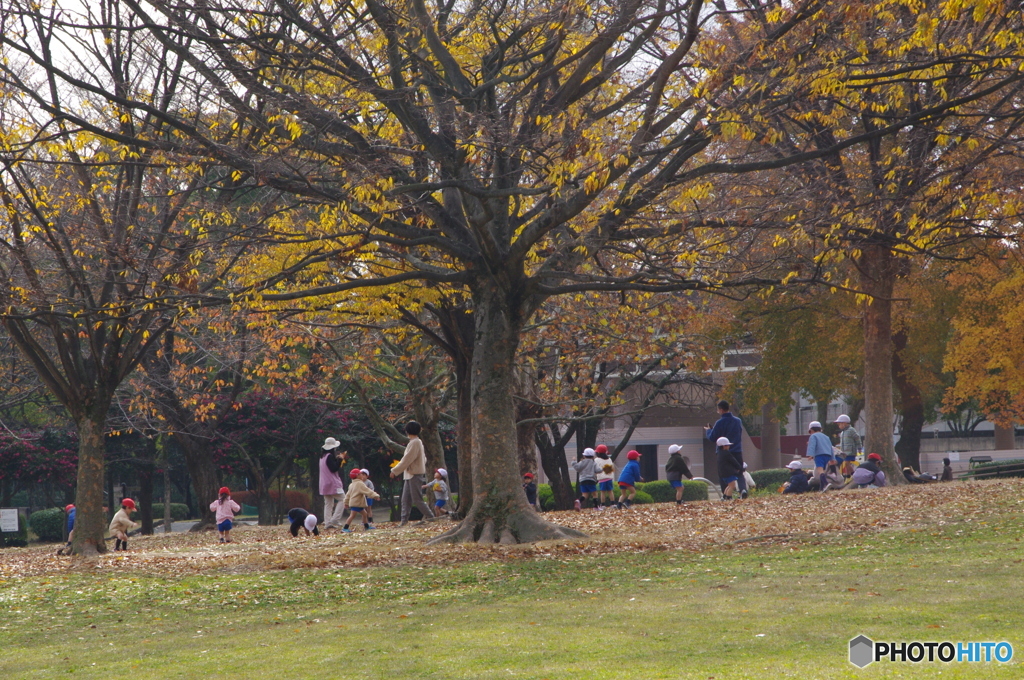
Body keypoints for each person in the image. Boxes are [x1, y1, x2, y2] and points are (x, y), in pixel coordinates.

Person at [390, 421, 433, 526]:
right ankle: (404, 521)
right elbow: (423, 459)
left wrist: (394, 471)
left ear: (407, 431)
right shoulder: (415, 442)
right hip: (410, 474)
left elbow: (407, 459)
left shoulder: (415, 442)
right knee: (405, 500)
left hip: (414, 474)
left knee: (417, 499)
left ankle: (432, 518)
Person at [705, 400, 747, 498]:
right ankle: (742, 490)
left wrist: (709, 430)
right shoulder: (738, 421)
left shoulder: (719, 422)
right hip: (737, 450)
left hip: (723, 452)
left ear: (721, 410)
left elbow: (712, 437)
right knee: (739, 471)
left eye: (718, 410)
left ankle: (726, 495)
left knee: (724, 474)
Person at [320, 437, 348, 529]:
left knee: (328, 503)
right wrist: (339, 460)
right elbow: (334, 468)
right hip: (332, 482)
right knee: (343, 499)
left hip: (324, 483)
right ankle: (335, 519)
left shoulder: (322, 457)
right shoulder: (329, 456)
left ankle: (328, 523)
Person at [806, 421, 834, 492]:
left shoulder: (813, 436)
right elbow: (831, 447)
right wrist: (832, 458)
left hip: (819, 455)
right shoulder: (826, 437)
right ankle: (821, 488)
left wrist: (810, 455)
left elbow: (812, 446)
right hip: (827, 455)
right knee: (823, 471)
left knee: (820, 471)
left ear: (811, 430)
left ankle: (826, 483)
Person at [594, 445, 616, 509]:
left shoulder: (596, 460)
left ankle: (603, 505)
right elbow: (611, 468)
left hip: (602, 478)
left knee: (602, 492)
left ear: (598, 453)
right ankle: (613, 503)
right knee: (610, 491)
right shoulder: (609, 459)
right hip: (609, 478)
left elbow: (596, 468)